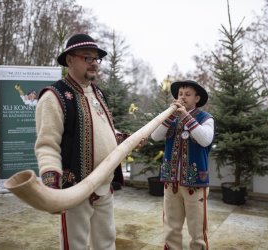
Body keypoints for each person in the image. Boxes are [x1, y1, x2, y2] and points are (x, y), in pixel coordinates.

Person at [35, 33, 145, 250]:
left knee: (106, 241)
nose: (94, 63)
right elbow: (47, 144)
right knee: (75, 245)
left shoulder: (97, 92)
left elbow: (105, 130)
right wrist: (53, 186)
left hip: (104, 184)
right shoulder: (54, 96)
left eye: (96, 58)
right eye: (88, 57)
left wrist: (125, 139)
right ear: (69, 60)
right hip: (75, 187)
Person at [151, 80, 214, 250]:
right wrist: (171, 115)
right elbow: (155, 136)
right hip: (171, 183)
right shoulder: (171, 118)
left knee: (197, 232)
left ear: (197, 98)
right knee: (171, 227)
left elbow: (205, 139)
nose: (182, 97)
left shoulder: (206, 118)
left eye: (187, 94)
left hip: (195, 184)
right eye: (180, 94)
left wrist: (186, 116)